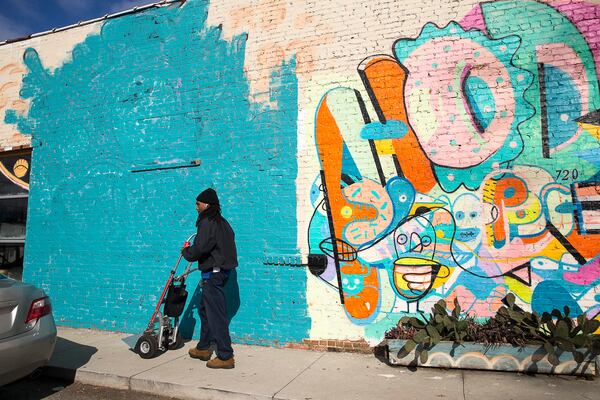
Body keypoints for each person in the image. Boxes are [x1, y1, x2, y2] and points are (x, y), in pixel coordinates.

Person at [182, 188, 238, 369]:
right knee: (205, 312)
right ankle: (204, 347)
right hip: (221, 273)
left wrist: (186, 252)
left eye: (198, 204)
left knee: (216, 316)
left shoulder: (207, 222)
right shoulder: (223, 223)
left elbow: (200, 248)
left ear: (206, 204)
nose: (196, 208)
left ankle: (225, 356)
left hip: (213, 275)